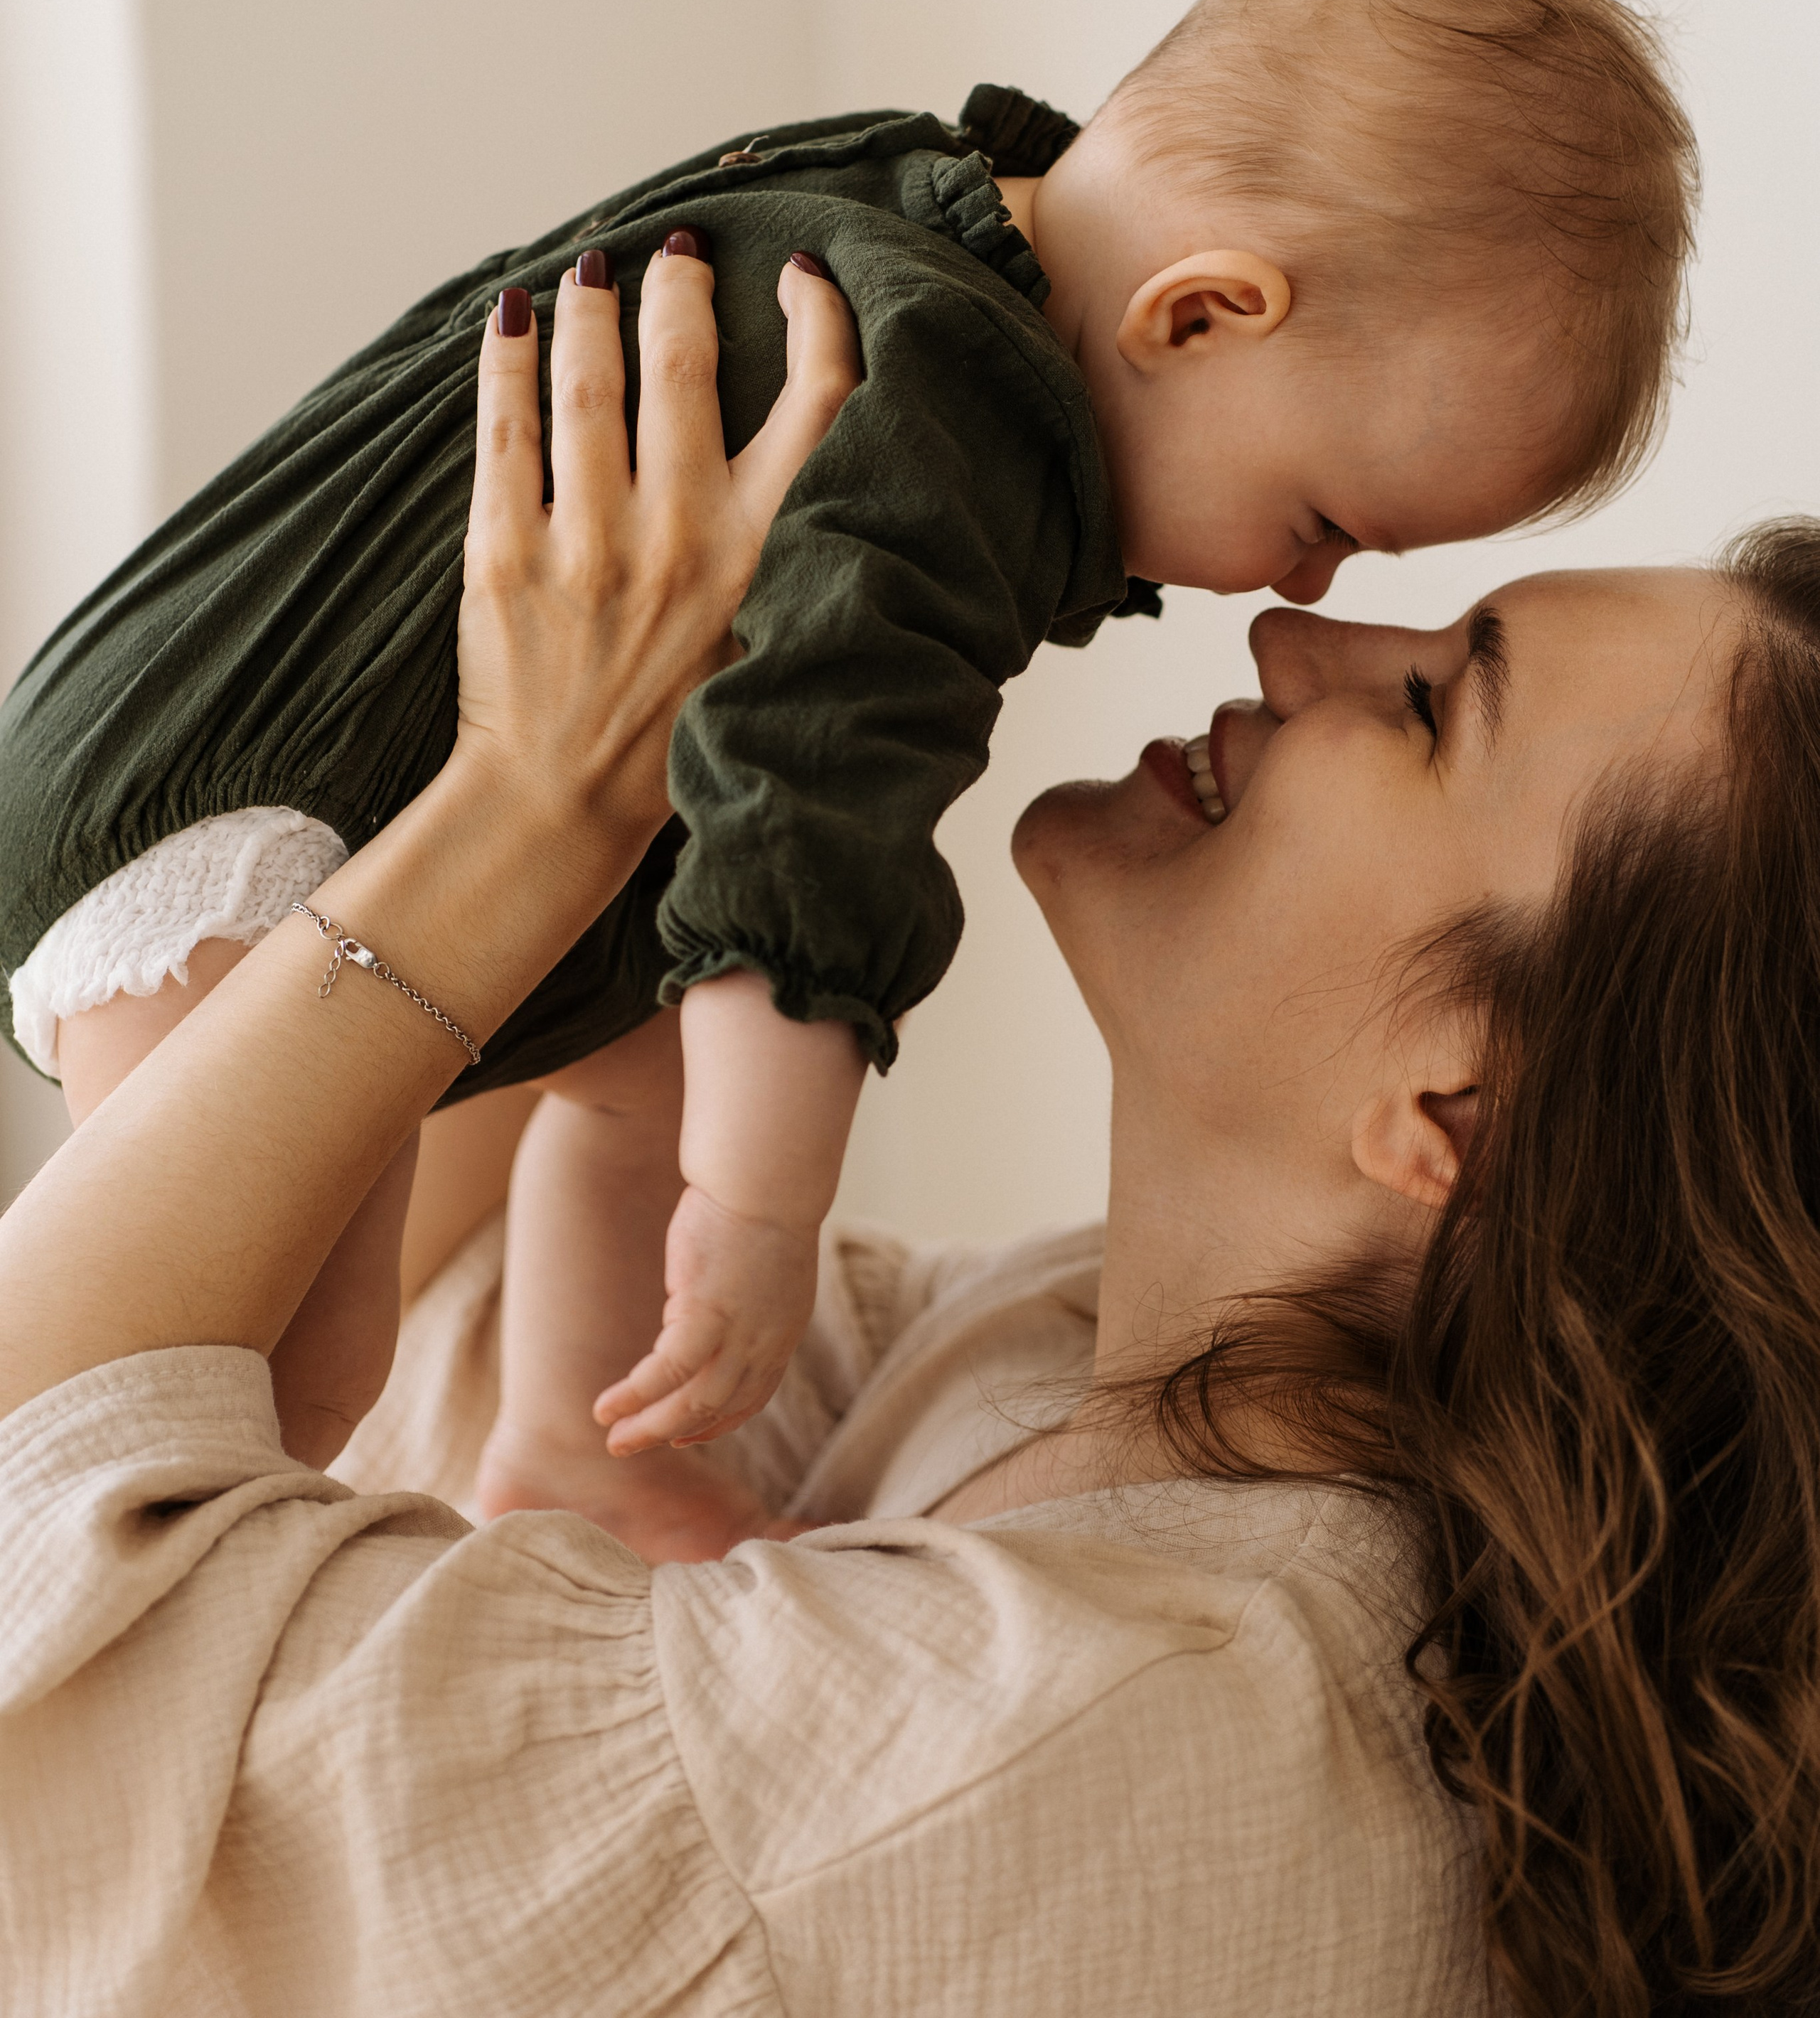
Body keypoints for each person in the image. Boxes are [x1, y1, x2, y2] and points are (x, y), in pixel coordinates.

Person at [1, 253, 1816, 2017]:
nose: (1293, 631)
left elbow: (55, 1608)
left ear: (1459, 1111)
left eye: (1429, 705)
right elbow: (448, 1303)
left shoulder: (1064, 1733)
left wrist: (530, 803)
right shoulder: (1074, 1364)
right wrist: (690, 698)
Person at [0, 0, 1700, 1562]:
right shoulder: (950, 419)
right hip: (242, 823)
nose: (1291, 594)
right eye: (1323, 519)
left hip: (166, 718)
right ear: (1196, 316)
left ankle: (577, 1455)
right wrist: (757, 1216)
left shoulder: (910, 198)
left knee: (638, 1075)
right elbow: (811, 801)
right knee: (270, 1394)